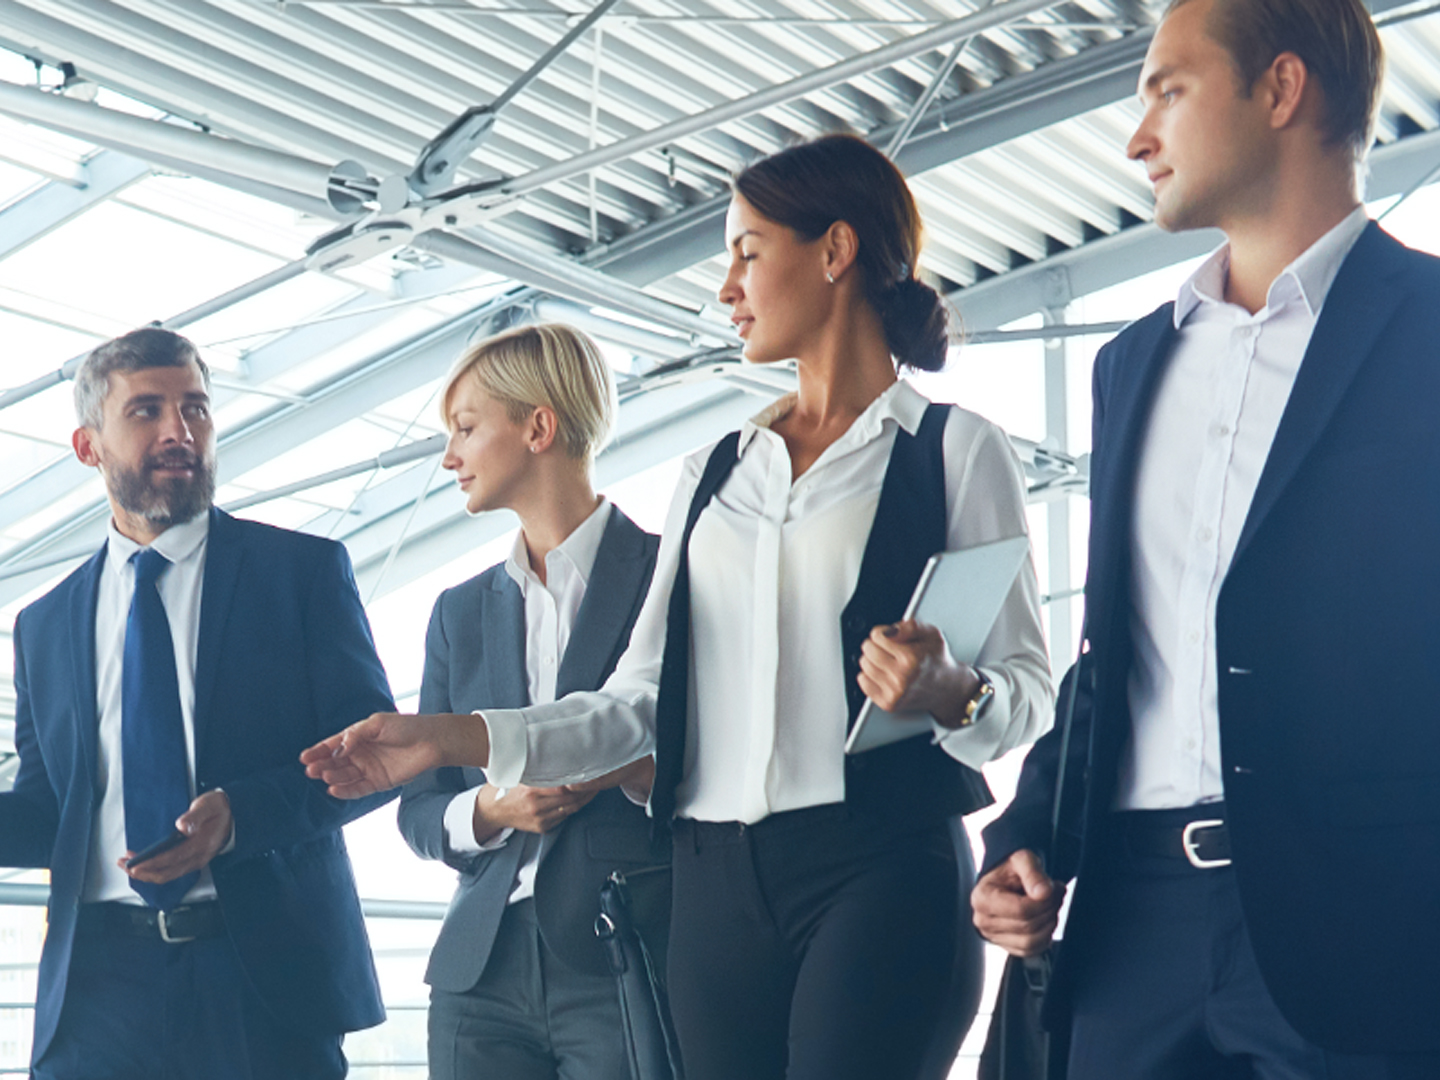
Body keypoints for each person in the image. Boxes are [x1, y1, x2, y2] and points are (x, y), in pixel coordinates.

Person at [305, 133, 1052, 1080]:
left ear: (835, 251)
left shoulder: (953, 449)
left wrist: (955, 692)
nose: (726, 287)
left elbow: (1028, 691)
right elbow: (635, 704)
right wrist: (448, 740)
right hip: (714, 884)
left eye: (747, 252)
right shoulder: (715, 472)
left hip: (879, 863)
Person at [971, 0, 1440, 1075]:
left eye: (1167, 93)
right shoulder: (1131, 366)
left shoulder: (1429, 329)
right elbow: (1121, 654)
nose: (1138, 139)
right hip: (1135, 923)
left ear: (1281, 91)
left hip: (1370, 926)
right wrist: (1025, 834)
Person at [2, 327, 396, 1079]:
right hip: (97, 993)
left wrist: (240, 815)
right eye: (145, 411)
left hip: (262, 981)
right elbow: (51, 811)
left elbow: (376, 758)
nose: (179, 431)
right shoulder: (44, 624)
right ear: (89, 446)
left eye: (196, 409)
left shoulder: (302, 573)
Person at [396, 324, 663, 1080]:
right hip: (479, 973)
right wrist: (491, 812)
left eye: (467, 428)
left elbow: (711, 753)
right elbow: (420, 810)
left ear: (538, 426)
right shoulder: (459, 611)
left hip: (622, 950)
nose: (450, 456)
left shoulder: (664, 574)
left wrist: (619, 771)